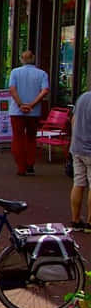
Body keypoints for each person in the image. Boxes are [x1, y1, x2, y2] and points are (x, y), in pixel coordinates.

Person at [7, 50, 50, 177]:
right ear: (33, 58)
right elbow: (45, 90)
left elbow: (12, 89)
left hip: (17, 110)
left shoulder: (15, 72)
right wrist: (32, 104)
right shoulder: (42, 73)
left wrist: (20, 104)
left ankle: (21, 167)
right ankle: (30, 164)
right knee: (31, 137)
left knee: (18, 138)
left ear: (21, 59)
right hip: (34, 111)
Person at [70, 84, 91, 230]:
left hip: (77, 148)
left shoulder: (82, 98)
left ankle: (75, 220)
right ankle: (90, 222)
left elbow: (73, 120)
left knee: (78, 183)